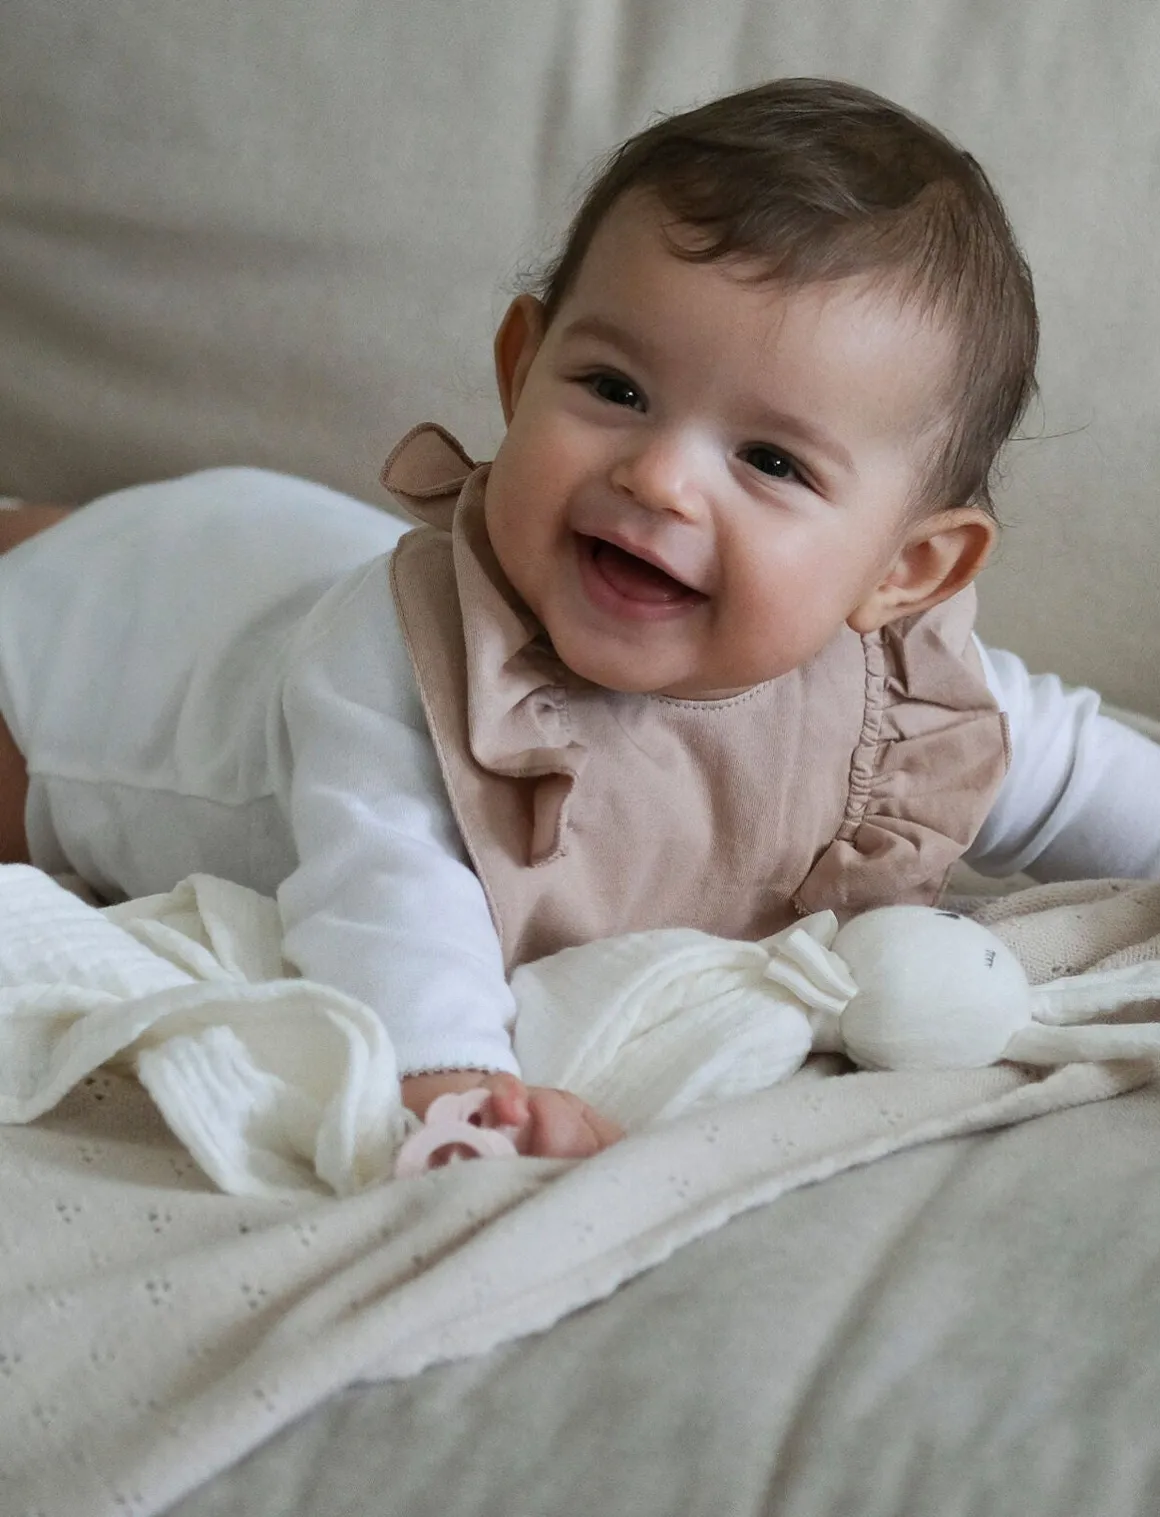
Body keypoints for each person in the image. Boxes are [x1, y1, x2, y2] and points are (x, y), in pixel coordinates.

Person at [1, 78, 1158, 1159]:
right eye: (615, 390)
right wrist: (450, 1077)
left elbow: (1076, 770)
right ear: (521, 368)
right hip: (116, 668)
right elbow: (384, 888)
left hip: (272, 548)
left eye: (768, 460)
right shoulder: (401, 660)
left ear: (904, 567)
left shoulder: (899, 703)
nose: (658, 477)